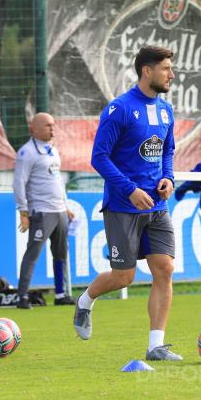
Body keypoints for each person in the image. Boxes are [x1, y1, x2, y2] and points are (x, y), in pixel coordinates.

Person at [74, 45, 181, 361]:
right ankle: (85, 301)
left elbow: (167, 151)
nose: (171, 75)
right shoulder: (119, 109)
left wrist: (168, 178)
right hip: (123, 206)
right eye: (166, 69)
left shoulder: (165, 111)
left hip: (157, 207)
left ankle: (155, 346)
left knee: (165, 268)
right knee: (125, 276)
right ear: (147, 71)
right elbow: (99, 157)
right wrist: (130, 189)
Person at [13, 112, 75, 309]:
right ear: (36, 128)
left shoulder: (52, 150)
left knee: (60, 254)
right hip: (41, 211)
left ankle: (60, 293)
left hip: (59, 212)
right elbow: (18, 183)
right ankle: (22, 296)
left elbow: (57, 181)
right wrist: (23, 212)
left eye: (53, 125)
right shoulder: (27, 152)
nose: (52, 129)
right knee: (33, 253)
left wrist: (66, 206)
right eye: (48, 125)